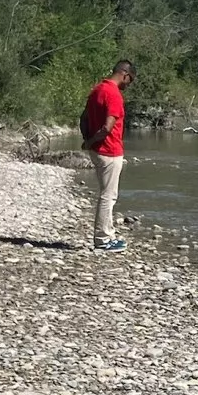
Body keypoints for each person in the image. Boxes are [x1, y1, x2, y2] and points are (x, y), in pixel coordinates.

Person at [82, 59, 134, 252]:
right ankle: (103, 239)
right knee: (108, 196)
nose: (129, 84)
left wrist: (88, 141)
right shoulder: (114, 94)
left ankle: (107, 234)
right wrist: (91, 141)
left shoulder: (97, 89)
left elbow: (84, 118)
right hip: (109, 150)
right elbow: (107, 127)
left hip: (97, 151)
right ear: (125, 74)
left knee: (106, 194)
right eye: (131, 80)